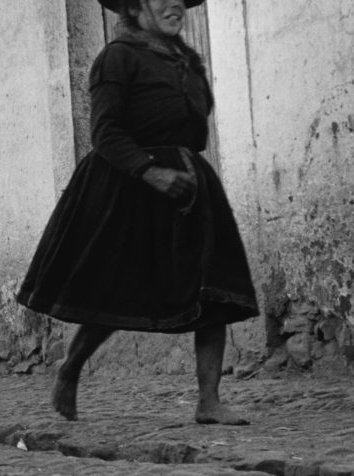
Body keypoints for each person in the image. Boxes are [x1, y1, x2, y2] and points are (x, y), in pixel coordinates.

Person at [15, 0, 258, 424]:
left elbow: (196, 125)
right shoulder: (117, 57)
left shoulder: (187, 61)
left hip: (189, 182)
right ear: (135, 5)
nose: (175, 4)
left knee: (215, 288)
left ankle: (209, 401)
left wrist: (181, 166)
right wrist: (150, 171)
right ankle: (71, 368)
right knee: (116, 288)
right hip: (128, 184)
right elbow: (105, 132)